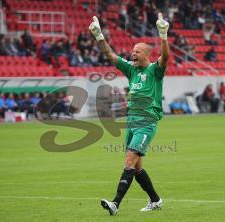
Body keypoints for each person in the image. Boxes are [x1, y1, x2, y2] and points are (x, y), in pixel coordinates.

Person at [89, 13, 169, 215]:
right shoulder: (132, 70)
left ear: (146, 55)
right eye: (132, 51)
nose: (133, 54)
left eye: (137, 51)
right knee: (137, 167)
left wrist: (163, 35)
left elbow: (165, 57)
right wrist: (99, 36)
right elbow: (112, 56)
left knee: (129, 161)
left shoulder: (154, 71)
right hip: (132, 123)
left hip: (146, 122)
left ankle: (115, 203)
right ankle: (156, 200)